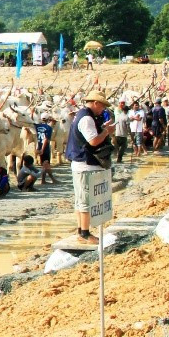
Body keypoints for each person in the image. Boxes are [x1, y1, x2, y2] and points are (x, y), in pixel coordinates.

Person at [66, 91, 113, 241]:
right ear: (95, 103)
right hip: (85, 164)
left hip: (81, 163)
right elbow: (93, 141)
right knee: (85, 200)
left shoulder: (84, 115)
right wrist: (106, 132)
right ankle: (85, 233)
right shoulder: (86, 118)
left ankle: (81, 230)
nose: (103, 110)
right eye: (102, 106)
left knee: (81, 199)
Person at [35, 114, 56, 184]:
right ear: (48, 119)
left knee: (45, 164)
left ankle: (51, 179)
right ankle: (43, 180)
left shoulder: (36, 126)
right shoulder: (49, 128)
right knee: (45, 164)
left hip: (37, 146)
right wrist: (42, 150)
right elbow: (46, 139)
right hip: (45, 148)